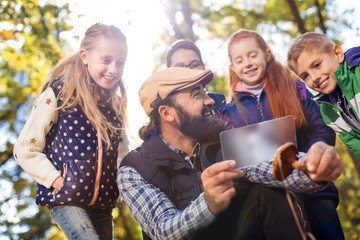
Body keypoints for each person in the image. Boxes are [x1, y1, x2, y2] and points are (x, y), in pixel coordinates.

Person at [117, 67, 344, 240]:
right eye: (196, 95)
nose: (209, 100)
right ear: (167, 113)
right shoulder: (133, 169)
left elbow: (275, 167)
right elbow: (162, 230)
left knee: (270, 193)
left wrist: (316, 167)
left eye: (204, 92)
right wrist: (207, 203)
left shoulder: (227, 139)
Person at [217, 29, 343, 239]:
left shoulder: (295, 88)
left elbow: (322, 126)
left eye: (252, 55)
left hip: (315, 190)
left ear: (266, 54)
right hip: (274, 202)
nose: (247, 64)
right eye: (239, 60)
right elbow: (236, 160)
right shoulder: (228, 113)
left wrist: (312, 158)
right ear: (232, 67)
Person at [13, 23, 129, 240]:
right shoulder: (60, 93)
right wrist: (58, 182)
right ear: (85, 56)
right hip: (67, 200)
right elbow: (25, 149)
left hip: (103, 206)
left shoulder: (114, 108)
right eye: (106, 60)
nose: (113, 69)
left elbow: (122, 156)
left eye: (120, 62)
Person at [287, 32, 360, 161]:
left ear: (337, 54)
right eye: (306, 76)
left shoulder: (357, 73)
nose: (314, 78)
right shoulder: (327, 112)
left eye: (317, 65)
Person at [166, 39, 226, 111]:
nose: (189, 71)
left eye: (194, 65)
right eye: (180, 67)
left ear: (203, 67)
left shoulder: (219, 101)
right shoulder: (168, 110)